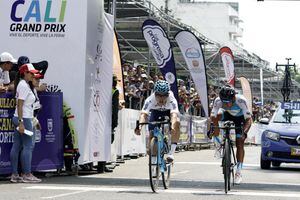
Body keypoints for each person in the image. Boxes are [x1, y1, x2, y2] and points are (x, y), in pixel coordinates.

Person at [208, 85, 252, 184]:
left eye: (229, 102)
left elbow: (249, 120)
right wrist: (212, 129)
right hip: (227, 114)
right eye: (224, 102)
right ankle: (218, 144)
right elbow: (213, 115)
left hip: (240, 118)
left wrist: (244, 133)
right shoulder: (218, 101)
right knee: (215, 117)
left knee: (240, 142)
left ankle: (239, 172)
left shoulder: (241, 100)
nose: (227, 104)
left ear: (234, 98)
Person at [10, 63, 42, 183]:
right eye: (31, 73)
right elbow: (20, 104)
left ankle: (15, 174)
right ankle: (27, 174)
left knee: (17, 146)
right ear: (25, 73)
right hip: (24, 119)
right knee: (28, 146)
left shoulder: (23, 85)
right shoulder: (23, 85)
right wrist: (21, 122)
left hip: (21, 118)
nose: (33, 75)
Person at [134, 80, 180, 163]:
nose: (161, 98)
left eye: (164, 95)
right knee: (152, 134)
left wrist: (172, 126)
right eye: (158, 95)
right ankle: (154, 159)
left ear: (168, 94)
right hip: (156, 112)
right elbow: (143, 115)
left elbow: (174, 115)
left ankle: (171, 153)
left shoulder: (172, 99)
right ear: (155, 93)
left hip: (168, 112)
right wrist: (140, 126)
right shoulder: (150, 100)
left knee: (177, 123)